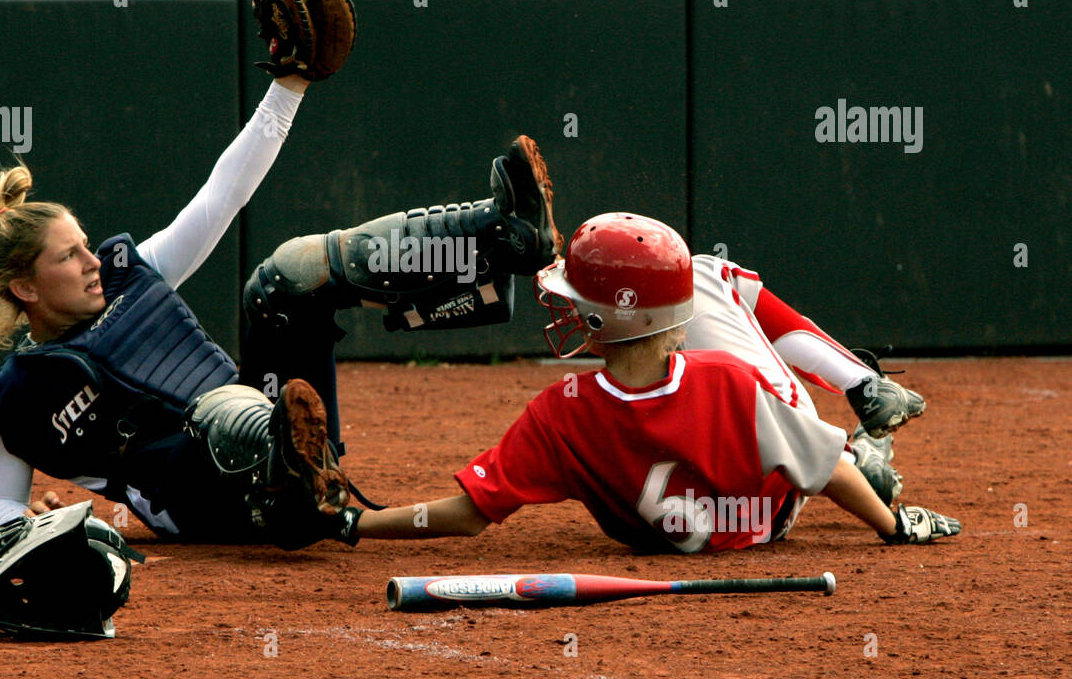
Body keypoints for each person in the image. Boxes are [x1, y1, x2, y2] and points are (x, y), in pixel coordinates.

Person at [0, 61, 563, 548]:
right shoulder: (19, 392)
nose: (91, 262)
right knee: (222, 410)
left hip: (265, 437)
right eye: (68, 257)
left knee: (286, 279)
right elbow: (2, 504)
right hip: (193, 505)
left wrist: (288, 86)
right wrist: (35, 527)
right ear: (26, 289)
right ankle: (286, 469)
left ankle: (497, 237)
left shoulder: (128, 276)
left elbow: (222, 196)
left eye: (85, 246)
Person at [347, 213, 960, 552]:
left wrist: (353, 524)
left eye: (576, 298)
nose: (565, 307)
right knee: (705, 273)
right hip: (772, 518)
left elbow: (468, 514)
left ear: (602, 319)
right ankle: (858, 391)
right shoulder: (730, 382)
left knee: (691, 282)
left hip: (669, 532)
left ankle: (856, 418)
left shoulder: (560, 412)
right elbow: (830, 472)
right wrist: (894, 525)